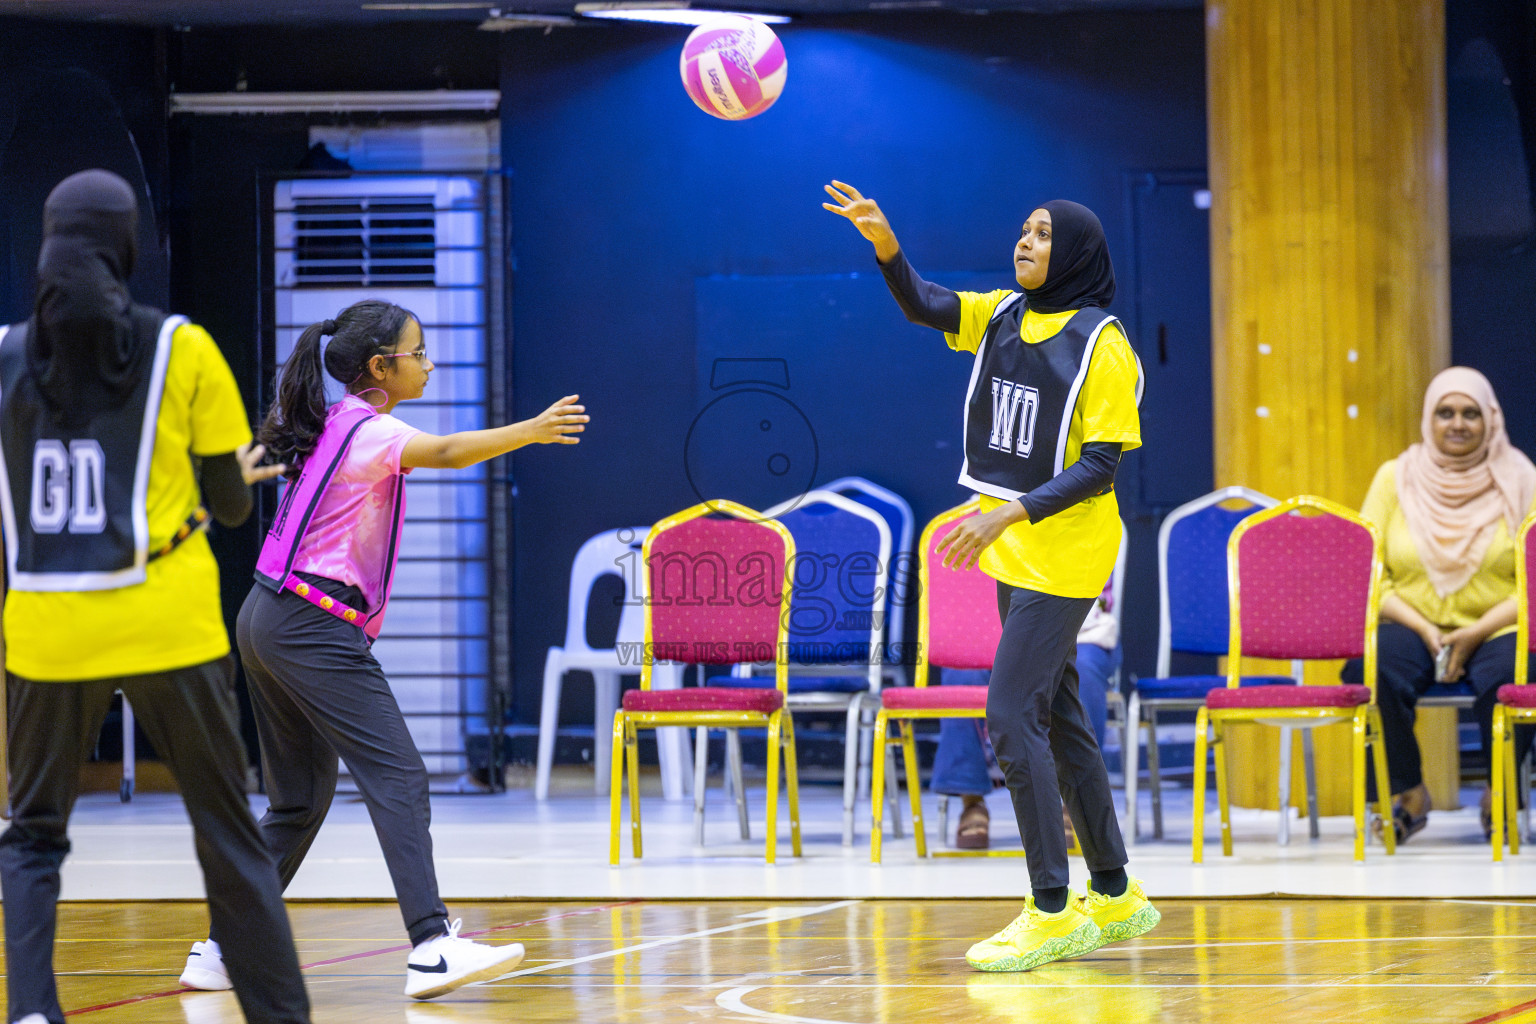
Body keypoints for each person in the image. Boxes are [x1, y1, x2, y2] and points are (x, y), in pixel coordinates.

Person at [178, 299, 588, 1000]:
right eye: (418, 352)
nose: (428, 363)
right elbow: (453, 453)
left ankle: (221, 948)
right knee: (398, 776)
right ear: (380, 367)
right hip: (310, 623)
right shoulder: (370, 431)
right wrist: (534, 430)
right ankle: (431, 943)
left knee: (298, 802)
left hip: (266, 616)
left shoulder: (337, 422)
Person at [0, 169, 310, 1024]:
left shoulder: (2, 358)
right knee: (227, 835)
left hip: (44, 632)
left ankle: (30, 1012)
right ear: (127, 245)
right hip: (168, 626)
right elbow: (234, 505)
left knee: (30, 838)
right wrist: (226, 484)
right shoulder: (183, 348)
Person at [824, 180, 1157, 972]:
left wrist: (1007, 514)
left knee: (1009, 714)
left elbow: (1102, 466)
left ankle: (1050, 909)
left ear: (1072, 253)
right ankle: (1112, 892)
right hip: (1017, 553)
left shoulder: (1104, 345)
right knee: (1062, 717)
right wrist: (886, 247)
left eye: (1042, 235)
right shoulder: (1005, 312)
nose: (1026, 242)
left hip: (1067, 557)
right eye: (1023, 230)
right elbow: (925, 306)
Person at [1343, 367, 1536, 843]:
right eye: (1445, 412)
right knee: (1371, 669)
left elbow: (1532, 580)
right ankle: (1407, 791)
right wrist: (1426, 630)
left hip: (1496, 625)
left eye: (1471, 413)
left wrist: (1472, 634)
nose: (1458, 423)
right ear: (1429, 418)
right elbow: (1366, 570)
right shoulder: (1395, 478)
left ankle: (1500, 792)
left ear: (1490, 418)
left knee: (1518, 675)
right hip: (1411, 623)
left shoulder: (1522, 477)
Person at [934, 578, 1122, 850]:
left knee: (1082, 670)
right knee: (962, 670)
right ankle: (971, 799)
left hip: (1077, 625)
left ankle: (1077, 804)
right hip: (995, 624)